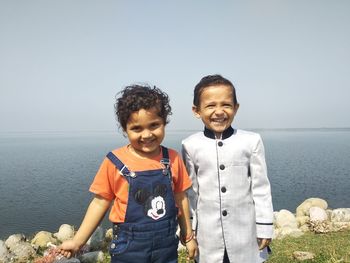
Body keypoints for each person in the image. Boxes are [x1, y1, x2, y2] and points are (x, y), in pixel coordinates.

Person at [57, 84, 198, 262]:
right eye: (137, 128)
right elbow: (100, 203)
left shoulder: (172, 158)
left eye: (154, 125)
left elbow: (181, 198)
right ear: (125, 129)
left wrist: (188, 236)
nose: (147, 135)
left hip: (167, 247)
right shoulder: (114, 162)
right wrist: (78, 241)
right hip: (129, 247)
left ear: (164, 123)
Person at [181, 74, 274, 263]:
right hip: (208, 234)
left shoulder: (251, 141)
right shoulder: (189, 145)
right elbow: (190, 193)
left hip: (245, 231)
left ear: (236, 108)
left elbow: (261, 188)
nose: (219, 111)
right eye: (210, 105)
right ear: (196, 110)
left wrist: (264, 227)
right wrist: (189, 230)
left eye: (226, 104)